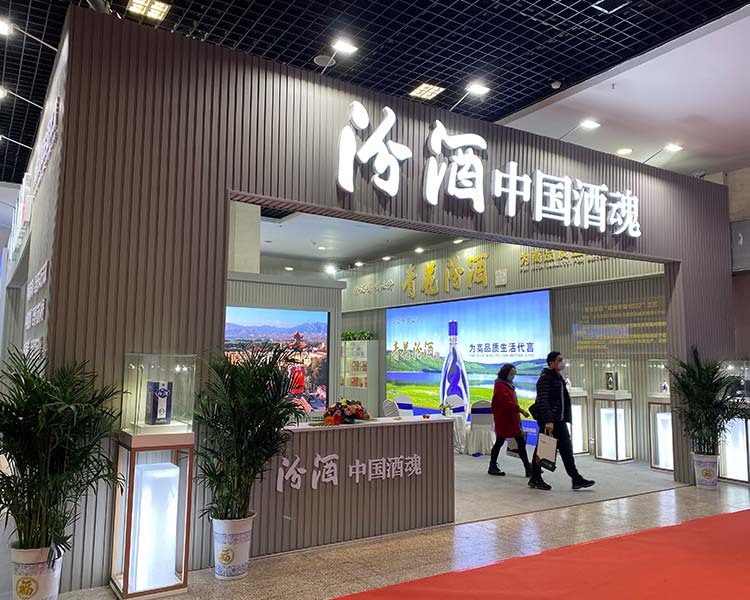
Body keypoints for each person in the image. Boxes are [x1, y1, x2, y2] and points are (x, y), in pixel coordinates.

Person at [528, 351, 595, 491]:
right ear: (551, 363)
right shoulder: (545, 378)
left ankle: (576, 478)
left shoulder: (558, 377)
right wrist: (548, 420)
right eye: (559, 360)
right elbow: (543, 400)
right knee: (543, 449)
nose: (562, 362)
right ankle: (535, 478)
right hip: (551, 422)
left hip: (560, 420)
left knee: (566, 450)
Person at [488, 364, 532, 477]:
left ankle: (493, 466)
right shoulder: (500, 385)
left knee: (502, 442)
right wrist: (521, 410)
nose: (513, 376)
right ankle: (528, 468)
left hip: (510, 419)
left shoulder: (507, 384)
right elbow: (507, 403)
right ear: (505, 373)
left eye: (514, 374)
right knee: (518, 442)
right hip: (505, 419)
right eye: (511, 374)